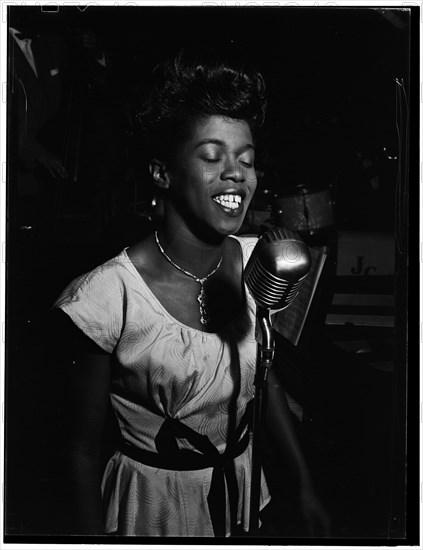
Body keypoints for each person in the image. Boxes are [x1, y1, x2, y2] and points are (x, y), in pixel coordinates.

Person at [52, 48, 330, 537]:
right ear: (162, 173)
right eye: (211, 156)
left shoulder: (256, 263)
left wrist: (302, 486)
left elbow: (265, 386)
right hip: (150, 511)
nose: (236, 172)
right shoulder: (105, 295)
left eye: (245, 159)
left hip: (243, 499)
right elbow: (77, 451)